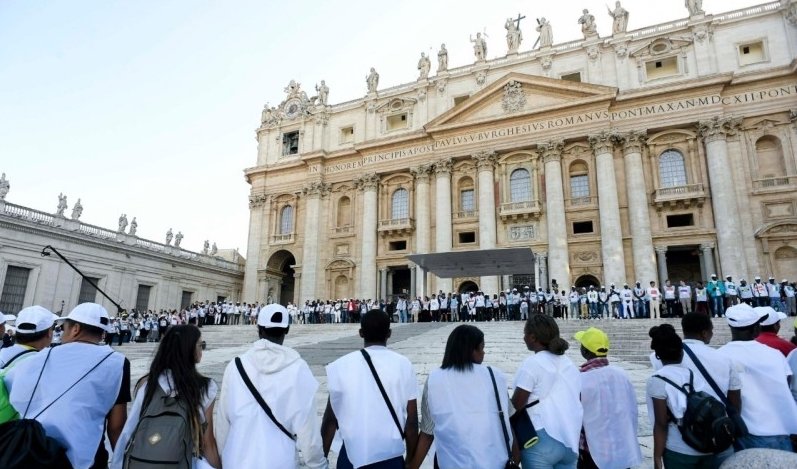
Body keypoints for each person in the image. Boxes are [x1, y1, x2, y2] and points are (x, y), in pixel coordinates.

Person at [4, 303, 129, 469]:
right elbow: (116, 425)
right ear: (102, 332)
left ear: (75, 328)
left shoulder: (40, 357)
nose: (61, 333)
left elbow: (16, 395)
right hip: (88, 457)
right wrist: (121, 462)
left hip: (36, 451)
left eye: (64, 328)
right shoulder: (118, 362)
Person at [215, 304, 326, 468]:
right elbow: (307, 426)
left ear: (259, 329)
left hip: (235, 459)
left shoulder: (235, 365)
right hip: (279, 461)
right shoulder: (298, 368)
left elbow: (223, 420)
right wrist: (318, 463)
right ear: (286, 330)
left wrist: (218, 456)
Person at [111, 325, 220, 468]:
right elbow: (207, 443)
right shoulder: (205, 387)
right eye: (201, 345)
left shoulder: (146, 383)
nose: (202, 350)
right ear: (190, 349)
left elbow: (130, 428)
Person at [409, 325, 515, 469]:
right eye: (482, 348)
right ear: (472, 350)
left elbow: (428, 432)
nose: (483, 353)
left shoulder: (435, 379)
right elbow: (511, 420)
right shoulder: (495, 375)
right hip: (495, 462)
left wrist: (412, 465)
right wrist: (515, 460)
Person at [322, 310, 418, 469]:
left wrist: (322, 459)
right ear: (389, 333)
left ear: (360, 333)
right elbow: (412, 422)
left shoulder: (340, 366)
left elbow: (330, 420)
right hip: (391, 456)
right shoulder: (403, 365)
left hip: (351, 455)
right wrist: (410, 460)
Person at [650, 313, 741, 466]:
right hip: (716, 437)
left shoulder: (661, 355)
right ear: (704, 333)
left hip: (679, 442)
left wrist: (657, 456)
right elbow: (735, 403)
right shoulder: (725, 359)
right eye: (711, 330)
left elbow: (661, 419)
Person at [717, 304, 797, 451]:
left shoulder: (720, 356)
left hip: (745, 432)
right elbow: (786, 385)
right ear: (756, 329)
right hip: (780, 430)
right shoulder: (775, 355)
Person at [512, 315, 582, 469]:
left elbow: (516, 405)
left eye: (525, 334)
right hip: (570, 439)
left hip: (541, 439)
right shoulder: (569, 364)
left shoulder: (533, 363)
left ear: (532, 337)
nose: (523, 338)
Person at [647, 324, 716, 469]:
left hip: (679, 450)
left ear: (658, 356)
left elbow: (661, 424)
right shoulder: (692, 375)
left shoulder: (657, 380)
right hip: (705, 445)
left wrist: (657, 457)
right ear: (682, 353)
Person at [574, 327, 641, 469]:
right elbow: (632, 410)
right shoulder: (621, 374)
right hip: (621, 448)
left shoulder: (580, 379)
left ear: (585, 351)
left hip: (592, 452)